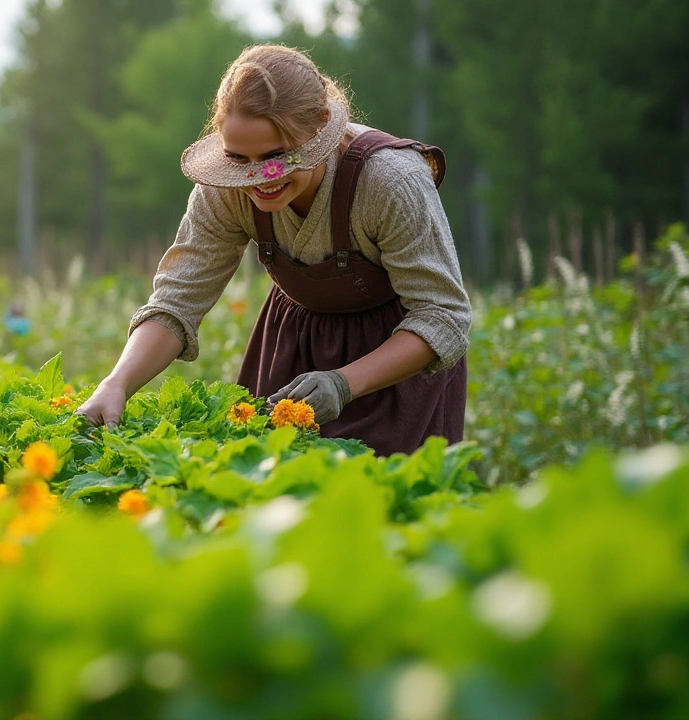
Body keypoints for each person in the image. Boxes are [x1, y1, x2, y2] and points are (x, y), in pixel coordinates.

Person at [76, 44, 470, 456]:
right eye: (238, 157)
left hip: (396, 363)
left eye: (276, 156)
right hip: (292, 347)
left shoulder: (390, 182)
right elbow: (177, 301)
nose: (258, 177)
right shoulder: (226, 188)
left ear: (320, 127)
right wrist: (116, 383)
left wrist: (343, 382)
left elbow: (443, 316)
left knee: (387, 505)